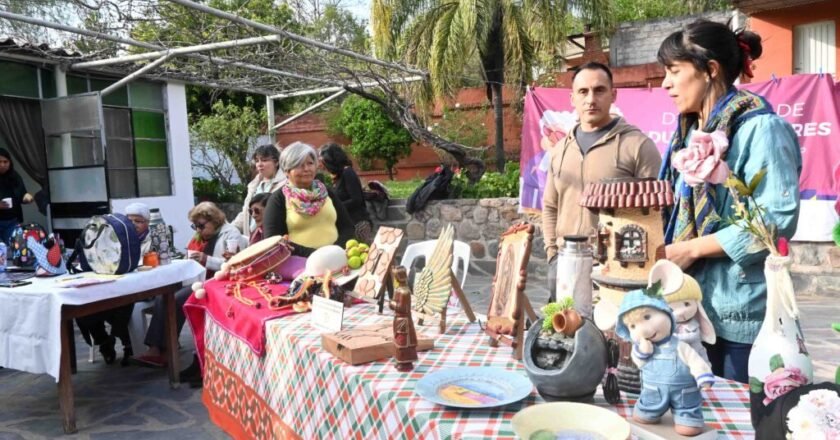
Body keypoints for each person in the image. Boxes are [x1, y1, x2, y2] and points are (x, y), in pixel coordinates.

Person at [657, 20, 801, 383]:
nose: (665, 83)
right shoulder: (688, 135)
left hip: (740, 312)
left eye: (674, 71)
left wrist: (692, 249)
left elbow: (776, 218)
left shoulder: (761, 129)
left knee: (740, 409)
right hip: (689, 306)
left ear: (710, 70)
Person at [542, 62, 662, 302]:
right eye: (583, 92)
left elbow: (656, 214)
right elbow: (550, 205)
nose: (591, 99)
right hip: (565, 263)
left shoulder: (637, 146)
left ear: (613, 95)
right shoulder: (559, 151)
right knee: (564, 324)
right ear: (572, 98)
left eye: (599, 90)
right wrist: (552, 253)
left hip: (617, 269)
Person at [135, 202, 248, 376]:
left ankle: (163, 349)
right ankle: (159, 347)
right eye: (195, 226)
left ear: (214, 220)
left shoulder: (231, 234)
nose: (198, 230)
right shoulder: (200, 237)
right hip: (199, 280)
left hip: (218, 283)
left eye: (201, 225)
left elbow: (234, 264)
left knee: (177, 300)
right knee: (164, 296)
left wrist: (206, 259)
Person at [75, 202, 153, 366]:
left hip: (142, 288)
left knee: (121, 305)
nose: (134, 224)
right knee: (83, 307)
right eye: (130, 220)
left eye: (139, 221)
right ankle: (103, 341)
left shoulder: (153, 239)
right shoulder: (112, 238)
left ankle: (128, 344)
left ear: (147, 223)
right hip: (114, 286)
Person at [263, 142, 355, 257]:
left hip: (337, 258)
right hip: (301, 263)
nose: (306, 169)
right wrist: (316, 255)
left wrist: (336, 250)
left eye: (310, 163)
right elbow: (273, 241)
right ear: (286, 170)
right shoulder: (278, 199)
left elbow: (347, 227)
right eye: (299, 165)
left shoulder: (326, 192)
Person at [319, 142, 374, 243]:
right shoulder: (338, 176)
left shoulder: (347, 172)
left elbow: (356, 199)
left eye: (324, 162)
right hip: (346, 225)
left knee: (364, 251)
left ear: (331, 161)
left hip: (358, 224)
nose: (322, 166)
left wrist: (335, 206)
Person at [232, 144, 286, 238]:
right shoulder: (254, 185)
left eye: (264, 160)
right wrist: (231, 229)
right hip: (253, 237)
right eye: (257, 161)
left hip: (273, 237)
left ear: (276, 162)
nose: (260, 164)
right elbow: (245, 213)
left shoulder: (285, 185)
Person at [0, 148, 34, 244]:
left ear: (10, 162)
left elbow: (22, 194)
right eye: (0, 162)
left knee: (17, 247)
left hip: (12, 221)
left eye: (5, 162)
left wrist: (27, 198)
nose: (2, 165)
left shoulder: (14, 176)